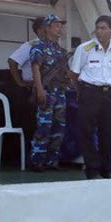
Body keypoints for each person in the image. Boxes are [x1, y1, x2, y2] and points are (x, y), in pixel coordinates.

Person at [70, 15, 111, 179]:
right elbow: (74, 74)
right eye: (97, 28)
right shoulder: (85, 48)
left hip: (108, 94)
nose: (99, 31)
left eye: (103, 28)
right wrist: (82, 93)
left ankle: (106, 169)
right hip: (89, 92)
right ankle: (92, 170)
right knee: (86, 132)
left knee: (108, 133)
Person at [29, 14, 70, 172]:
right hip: (46, 91)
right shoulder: (38, 47)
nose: (60, 29)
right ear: (47, 28)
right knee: (44, 127)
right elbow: (35, 69)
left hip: (60, 93)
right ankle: (37, 161)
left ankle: (52, 161)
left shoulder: (61, 51)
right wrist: (39, 90)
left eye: (61, 26)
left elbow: (66, 73)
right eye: (56, 25)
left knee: (59, 128)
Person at [7, 16, 46, 154]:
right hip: (32, 90)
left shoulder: (54, 47)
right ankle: (29, 158)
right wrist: (20, 82)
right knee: (32, 126)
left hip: (49, 90)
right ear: (40, 30)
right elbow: (12, 61)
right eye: (52, 26)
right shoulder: (30, 45)